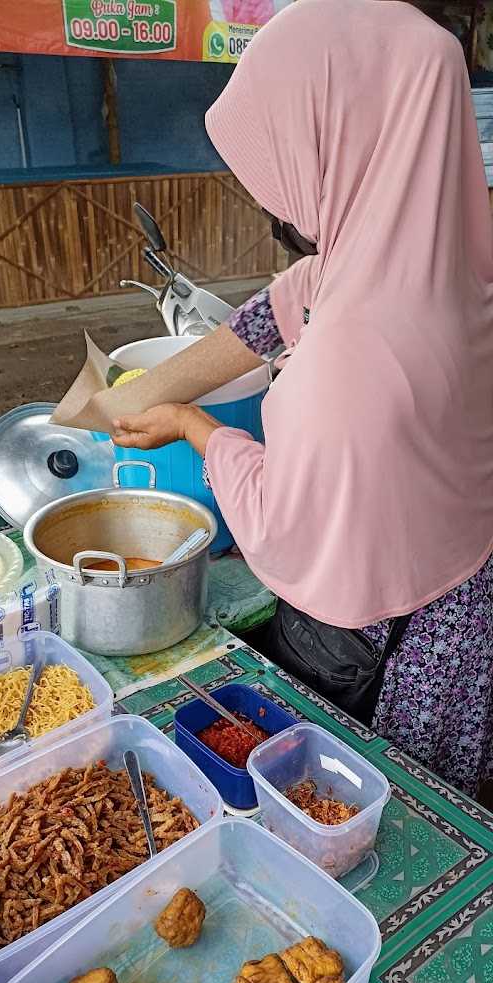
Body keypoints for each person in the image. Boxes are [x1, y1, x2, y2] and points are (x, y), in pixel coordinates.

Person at [113, 0, 493, 799]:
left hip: (401, 639)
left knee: (373, 809)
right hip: (461, 591)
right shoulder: (442, 262)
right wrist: (131, 394)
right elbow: (267, 315)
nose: (276, 198)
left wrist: (191, 425)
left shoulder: (360, 350)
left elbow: (288, 521)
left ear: (346, 138)